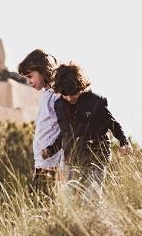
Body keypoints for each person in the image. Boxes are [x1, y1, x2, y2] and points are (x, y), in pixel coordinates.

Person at [41, 62, 131, 197]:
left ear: (81, 87)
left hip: (96, 157)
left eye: (73, 94)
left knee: (91, 196)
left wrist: (124, 142)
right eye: (65, 95)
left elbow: (113, 124)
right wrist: (51, 149)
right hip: (71, 158)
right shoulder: (59, 104)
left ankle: (96, 217)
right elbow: (65, 134)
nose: (70, 98)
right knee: (69, 198)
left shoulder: (96, 102)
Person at [17, 49, 62, 192]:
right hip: (42, 163)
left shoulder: (57, 96)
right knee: (38, 204)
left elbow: (65, 129)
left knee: (43, 206)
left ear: (43, 71)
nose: (29, 81)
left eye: (31, 76)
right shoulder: (46, 94)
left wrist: (52, 151)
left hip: (52, 163)